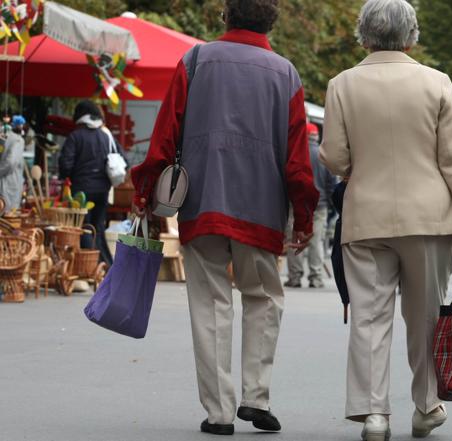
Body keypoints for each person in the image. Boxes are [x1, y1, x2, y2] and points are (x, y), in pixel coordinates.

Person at [131, 0, 319, 435]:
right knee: (263, 298)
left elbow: (164, 136)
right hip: (262, 209)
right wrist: (304, 215)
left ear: (227, 16)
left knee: (209, 302)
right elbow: (297, 159)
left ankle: (218, 411)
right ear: (271, 20)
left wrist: (145, 189)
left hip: (203, 201)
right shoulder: (286, 73)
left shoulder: (194, 61)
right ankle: (256, 395)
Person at [319, 1, 452, 439]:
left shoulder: (341, 85)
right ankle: (427, 405)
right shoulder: (437, 83)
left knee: (369, 317)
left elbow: (334, 157)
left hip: (365, 218)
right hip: (430, 219)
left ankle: (374, 414)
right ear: (412, 37)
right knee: (427, 316)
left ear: (364, 36)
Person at [59, 101, 126, 265]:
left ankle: (87, 266)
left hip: (81, 192)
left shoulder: (75, 136)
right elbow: (122, 159)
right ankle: (105, 266)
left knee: (84, 228)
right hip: (103, 190)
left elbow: (65, 165)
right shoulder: (106, 136)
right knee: (98, 227)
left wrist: (69, 176)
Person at [285, 122, 335, 288]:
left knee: (295, 239)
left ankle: (295, 277)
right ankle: (315, 277)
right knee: (316, 241)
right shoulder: (323, 155)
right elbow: (331, 183)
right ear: (316, 137)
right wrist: (329, 203)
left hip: (296, 203)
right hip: (319, 206)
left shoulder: (296, 153)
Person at [0, 116, 25, 214]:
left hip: (8, 186)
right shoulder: (16, 140)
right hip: (8, 188)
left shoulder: (5, 137)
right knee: (9, 216)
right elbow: (10, 163)